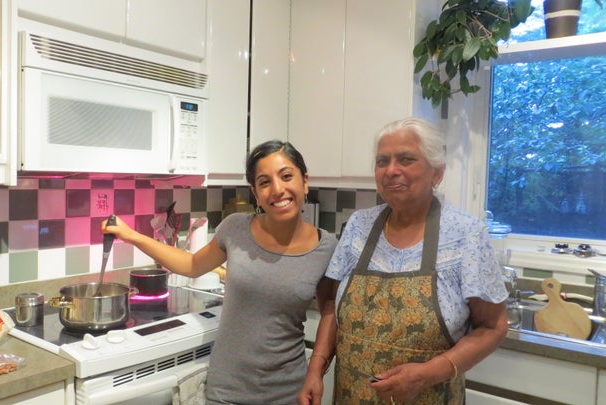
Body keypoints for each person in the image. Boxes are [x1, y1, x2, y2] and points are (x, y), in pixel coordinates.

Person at [103, 140, 338, 404]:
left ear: (304, 181)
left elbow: (330, 308)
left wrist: (316, 370)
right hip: (227, 391)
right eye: (264, 182)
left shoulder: (327, 247)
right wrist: (131, 235)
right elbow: (192, 266)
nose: (277, 189)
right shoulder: (236, 228)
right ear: (255, 193)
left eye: (286, 176)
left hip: (289, 392)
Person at [298, 117, 509, 405]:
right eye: (382, 161)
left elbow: (493, 327)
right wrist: (316, 369)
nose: (391, 171)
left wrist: (426, 375)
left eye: (406, 159)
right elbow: (332, 309)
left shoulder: (466, 233)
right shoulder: (359, 225)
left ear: (437, 173)